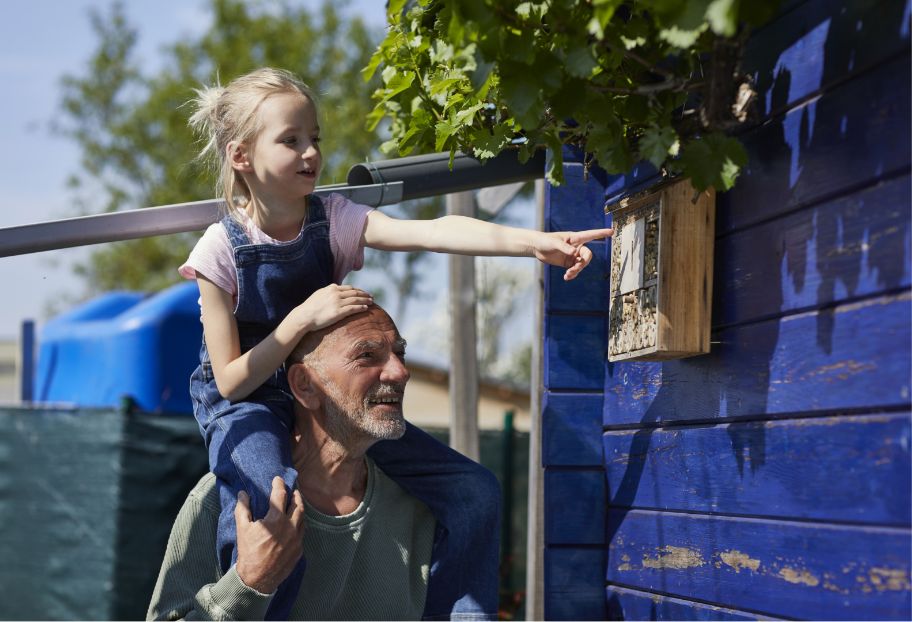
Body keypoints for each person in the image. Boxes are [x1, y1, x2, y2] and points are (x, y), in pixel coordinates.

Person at [179, 67, 612, 619]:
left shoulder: (331, 219)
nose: (311, 152)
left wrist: (536, 242)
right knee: (268, 509)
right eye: (291, 140)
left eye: (315, 138)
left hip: (329, 392)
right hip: (250, 399)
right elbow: (231, 380)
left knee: (475, 493)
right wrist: (302, 319)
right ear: (241, 156)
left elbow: (432, 231)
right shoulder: (219, 249)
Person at [149, 305, 456, 619]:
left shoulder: (422, 509)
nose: (400, 372)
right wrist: (250, 582)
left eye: (399, 353)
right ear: (304, 385)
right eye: (366, 355)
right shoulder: (224, 497)